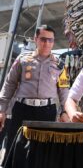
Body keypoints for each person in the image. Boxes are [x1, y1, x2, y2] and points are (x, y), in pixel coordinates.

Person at [0, 25, 69, 161]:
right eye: (43, 39)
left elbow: (64, 91)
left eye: (50, 40)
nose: (47, 43)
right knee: (15, 147)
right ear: (35, 39)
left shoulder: (60, 65)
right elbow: (9, 84)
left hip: (47, 111)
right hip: (22, 109)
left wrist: (64, 112)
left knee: (43, 150)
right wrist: (2, 110)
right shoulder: (23, 60)